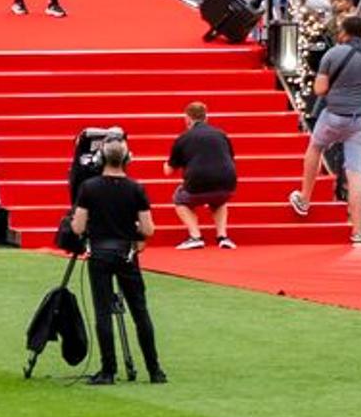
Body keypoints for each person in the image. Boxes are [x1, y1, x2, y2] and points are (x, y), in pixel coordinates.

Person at [65, 136, 163, 384]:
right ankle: (154, 369)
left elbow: (77, 227)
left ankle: (108, 369)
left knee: (103, 312)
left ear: (100, 160)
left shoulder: (89, 188)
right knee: (140, 311)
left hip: (100, 252)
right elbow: (148, 228)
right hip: (126, 253)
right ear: (126, 159)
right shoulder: (136, 188)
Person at [289, 12, 361, 242]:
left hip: (335, 114)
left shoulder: (333, 54)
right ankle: (357, 230)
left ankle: (305, 197)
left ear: (344, 32)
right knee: (356, 173)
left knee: (315, 148)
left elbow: (320, 89)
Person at [166, 101, 239, 247]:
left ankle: (195, 236)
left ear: (187, 119)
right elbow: (231, 159)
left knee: (179, 198)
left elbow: (168, 171)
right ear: (206, 118)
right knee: (219, 199)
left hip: (197, 184)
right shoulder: (221, 134)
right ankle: (222, 236)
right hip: (227, 183)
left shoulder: (184, 138)